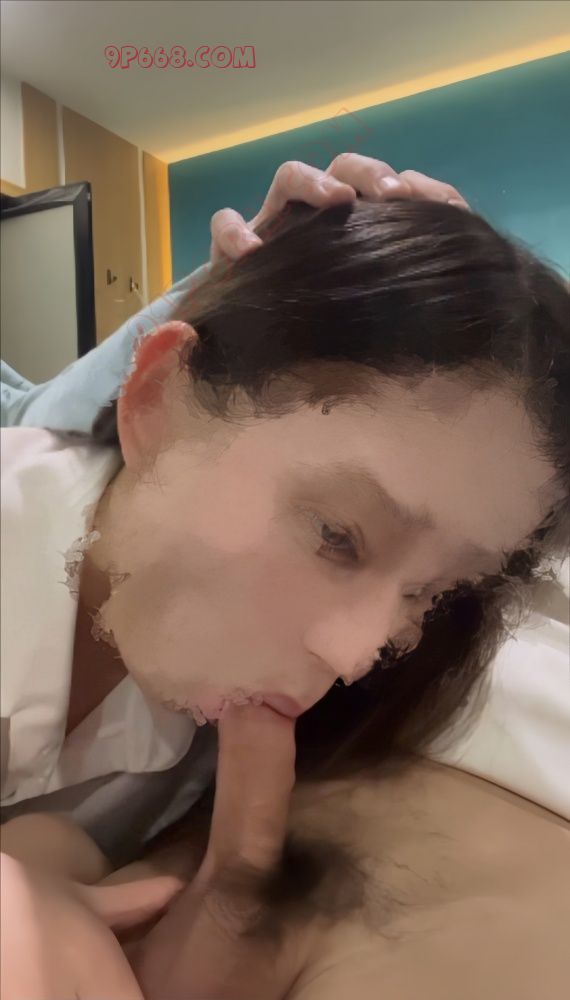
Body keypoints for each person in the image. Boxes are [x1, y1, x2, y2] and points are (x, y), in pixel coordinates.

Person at [1, 153, 569, 994]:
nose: (356, 653)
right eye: (338, 537)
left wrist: (50, 860)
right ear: (156, 400)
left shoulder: (245, 711)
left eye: (429, 591)